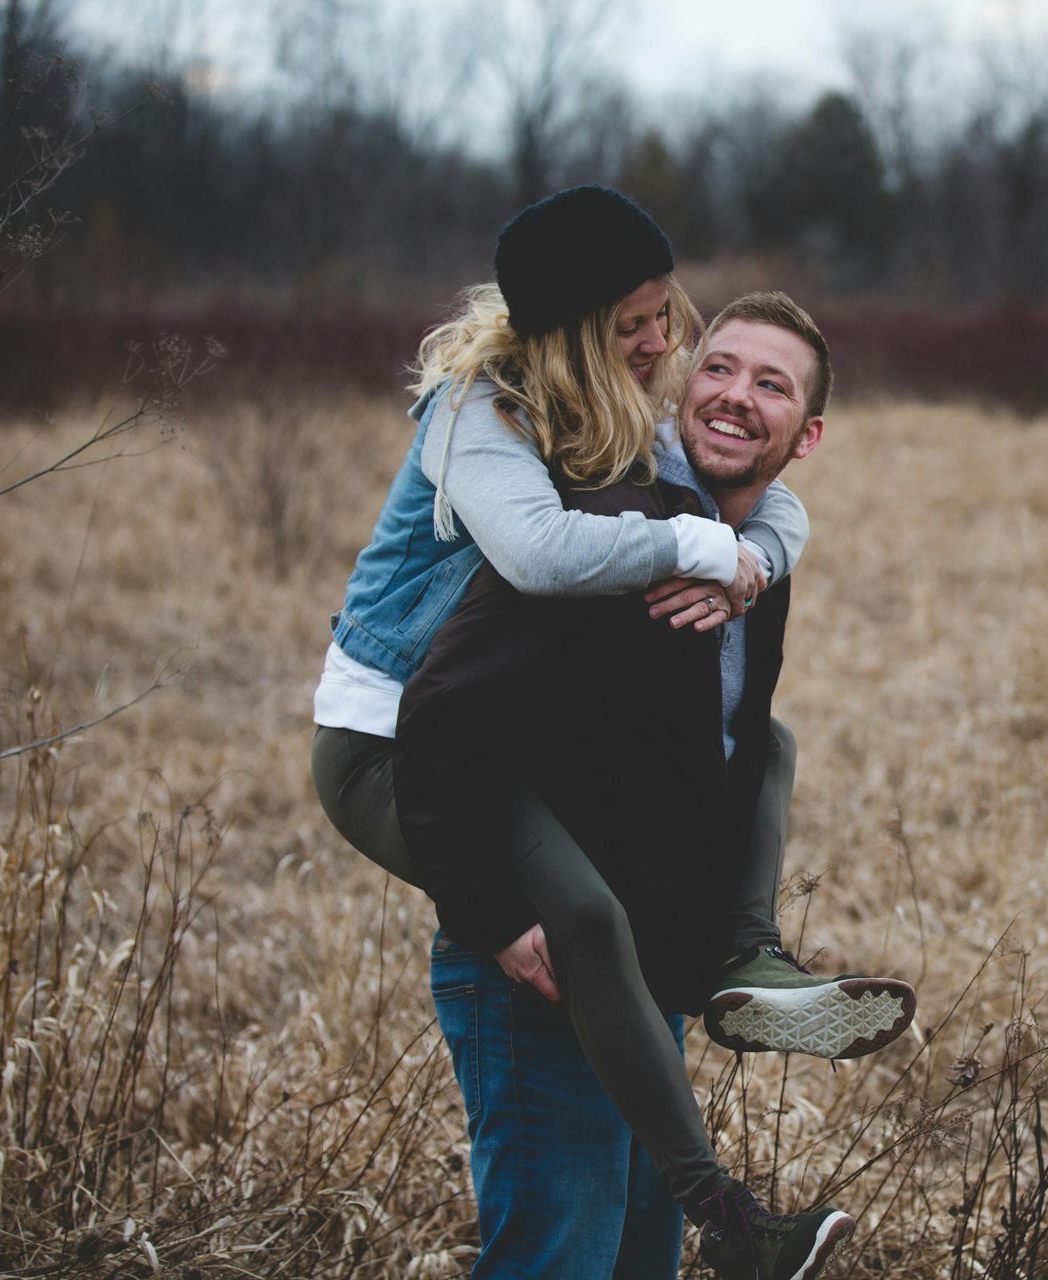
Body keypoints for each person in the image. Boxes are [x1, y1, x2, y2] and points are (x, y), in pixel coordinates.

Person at [307, 188, 839, 1277]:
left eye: (664, 311)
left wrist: (752, 564)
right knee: (583, 915)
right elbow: (545, 553)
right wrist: (693, 544)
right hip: (395, 731)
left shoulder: (616, 405)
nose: (663, 343)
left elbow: (759, 500)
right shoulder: (479, 410)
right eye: (631, 323)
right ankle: (732, 1221)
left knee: (764, 745)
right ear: (569, 330)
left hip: (487, 740)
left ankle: (747, 952)